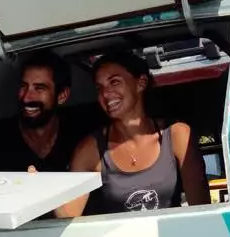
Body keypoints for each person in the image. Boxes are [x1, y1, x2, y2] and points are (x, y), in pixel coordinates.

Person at [55, 50, 211, 217]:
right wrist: (37, 188)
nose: (105, 94)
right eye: (99, 88)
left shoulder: (176, 134)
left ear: (141, 83)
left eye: (114, 82)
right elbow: (65, 218)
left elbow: (203, 209)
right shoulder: (91, 148)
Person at [0, 50, 80, 179]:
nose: (26, 98)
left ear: (62, 95)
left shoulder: (79, 131)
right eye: (23, 86)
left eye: (39, 88)